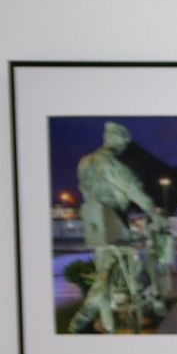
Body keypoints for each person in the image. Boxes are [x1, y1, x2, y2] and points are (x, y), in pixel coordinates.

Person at [71, 121, 170, 332]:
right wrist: (154, 215)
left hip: (95, 221)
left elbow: (84, 188)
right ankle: (153, 298)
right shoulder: (110, 164)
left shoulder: (84, 162)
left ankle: (107, 323)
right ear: (116, 140)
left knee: (103, 274)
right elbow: (135, 192)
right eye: (124, 142)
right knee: (144, 256)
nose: (125, 146)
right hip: (115, 221)